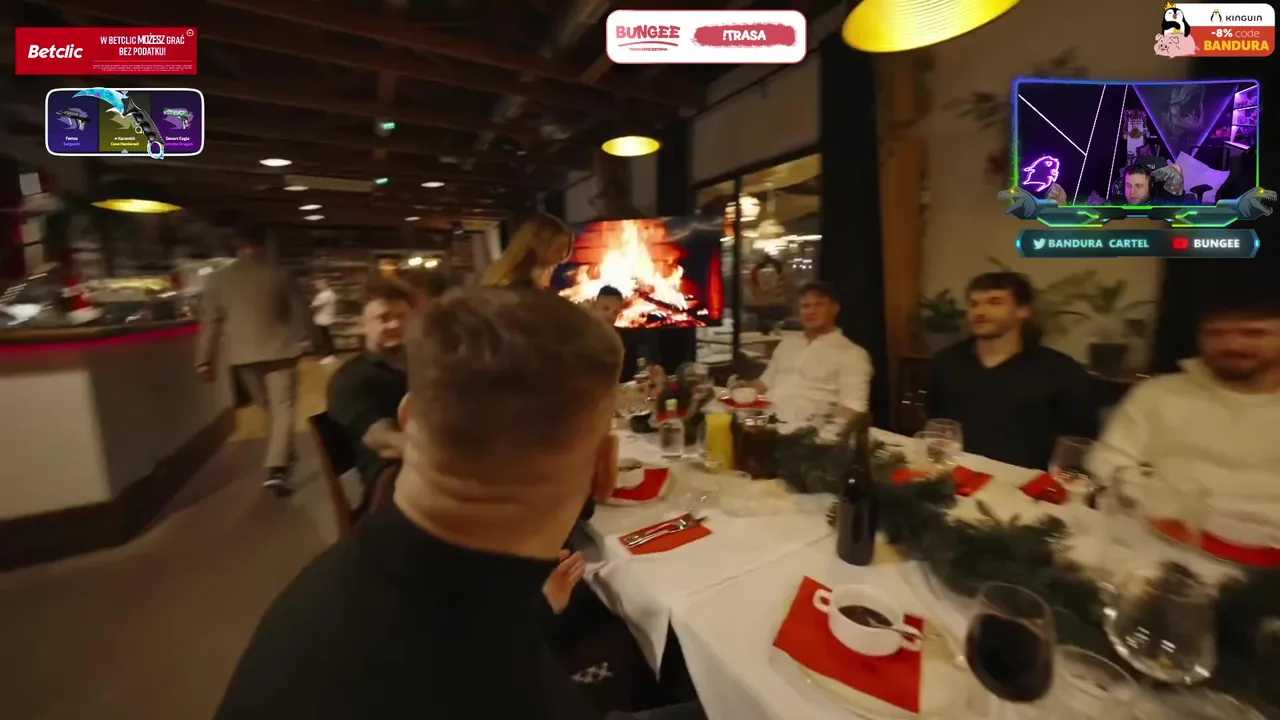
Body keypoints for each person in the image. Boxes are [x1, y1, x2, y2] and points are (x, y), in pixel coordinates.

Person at [215, 287, 704, 720]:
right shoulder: (494, 690)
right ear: (603, 467)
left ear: (409, 420)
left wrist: (533, 610)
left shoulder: (334, 591)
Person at [1088, 290, 1280, 504]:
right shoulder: (1158, 392)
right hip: (1158, 517)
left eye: (1254, 333)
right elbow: (1107, 462)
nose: (1232, 345)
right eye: (1215, 333)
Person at [927, 272, 1097, 469]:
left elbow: (1078, 441)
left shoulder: (1061, 371)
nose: (979, 311)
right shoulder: (947, 360)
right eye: (974, 304)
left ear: (1023, 311)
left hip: (1024, 480)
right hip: (954, 472)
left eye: (995, 302)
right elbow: (935, 418)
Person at [196, 232, 308, 496]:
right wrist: (310, 340)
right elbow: (300, 312)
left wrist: (204, 360)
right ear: (263, 245)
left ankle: (279, 463)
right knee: (282, 408)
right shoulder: (280, 274)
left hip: (243, 356)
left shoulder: (217, 279)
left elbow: (210, 322)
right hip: (281, 350)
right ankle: (279, 467)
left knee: (267, 407)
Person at [326, 278, 416, 519]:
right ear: (361, 325)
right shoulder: (351, 380)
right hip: (393, 489)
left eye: (402, 316)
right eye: (383, 318)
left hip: (432, 473)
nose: (395, 324)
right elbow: (386, 443)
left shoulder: (425, 364)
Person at [732, 282, 872, 426]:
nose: (811, 311)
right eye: (805, 306)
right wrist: (745, 388)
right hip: (764, 421)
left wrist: (827, 433)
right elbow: (765, 383)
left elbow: (854, 408)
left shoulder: (853, 354)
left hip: (808, 429)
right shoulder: (787, 343)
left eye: (819, 305)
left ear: (835, 309)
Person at [481, 213, 574, 289]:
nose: (563, 255)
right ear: (536, 241)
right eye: (559, 248)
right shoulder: (508, 283)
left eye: (567, 248)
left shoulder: (542, 280)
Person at [310, 278, 338, 364]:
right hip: (326, 318)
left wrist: (311, 306)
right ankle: (330, 354)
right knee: (326, 337)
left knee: (325, 338)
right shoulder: (331, 293)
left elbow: (314, 305)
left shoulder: (324, 295)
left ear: (325, 284)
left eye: (319, 284)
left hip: (323, 319)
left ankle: (329, 355)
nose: (317, 286)